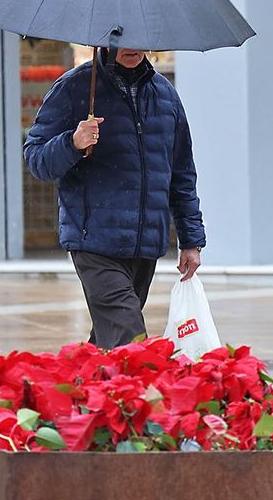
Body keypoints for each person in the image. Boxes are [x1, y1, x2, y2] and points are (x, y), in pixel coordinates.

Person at [24, 47, 205, 348]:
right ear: (106, 40)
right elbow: (36, 158)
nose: (132, 46)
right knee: (129, 338)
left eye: (139, 38)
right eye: (123, 38)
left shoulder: (165, 95)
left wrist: (190, 240)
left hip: (145, 246)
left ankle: (82, 391)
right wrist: (72, 142)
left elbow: (181, 173)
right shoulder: (74, 88)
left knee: (108, 344)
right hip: (94, 241)